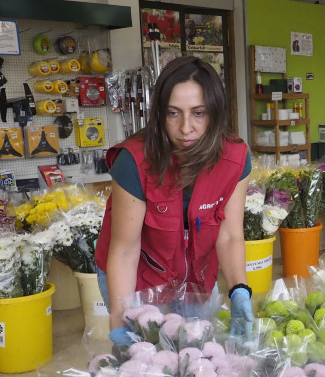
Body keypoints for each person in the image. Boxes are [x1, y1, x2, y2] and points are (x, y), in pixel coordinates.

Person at [94, 56, 253, 345]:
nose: (185, 127)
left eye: (199, 113)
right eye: (173, 113)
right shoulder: (134, 161)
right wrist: (119, 319)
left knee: (198, 358)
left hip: (196, 278)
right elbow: (125, 250)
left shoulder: (234, 159)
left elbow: (230, 235)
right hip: (137, 277)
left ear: (215, 113)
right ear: (159, 115)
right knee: (149, 366)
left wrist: (239, 289)